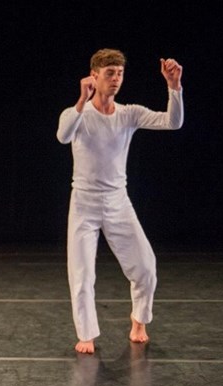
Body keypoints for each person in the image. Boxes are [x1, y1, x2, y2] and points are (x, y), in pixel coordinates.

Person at [56, 49, 183, 354]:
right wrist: (81, 100)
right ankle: (86, 334)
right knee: (82, 274)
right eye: (110, 73)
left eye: (120, 73)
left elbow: (173, 122)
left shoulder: (129, 113)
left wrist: (174, 88)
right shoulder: (77, 114)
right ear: (94, 76)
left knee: (146, 266)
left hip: (117, 201)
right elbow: (63, 136)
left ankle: (139, 320)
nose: (116, 79)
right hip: (84, 203)